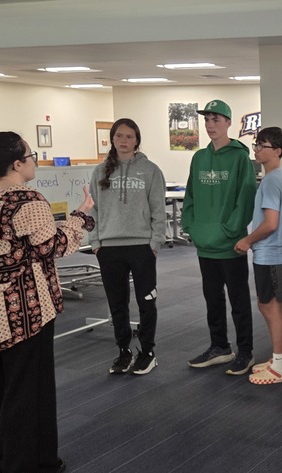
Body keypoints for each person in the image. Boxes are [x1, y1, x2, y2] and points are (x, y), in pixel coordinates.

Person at [0, 131, 95, 473]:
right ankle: (31, 464)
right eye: (32, 156)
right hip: (21, 307)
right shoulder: (26, 199)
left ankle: (1, 459)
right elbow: (53, 247)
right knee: (28, 391)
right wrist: (81, 216)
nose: (35, 161)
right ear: (17, 164)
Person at [182, 99, 258, 375]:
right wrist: (190, 225)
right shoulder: (199, 158)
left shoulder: (240, 157)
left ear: (228, 123)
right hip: (205, 244)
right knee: (212, 299)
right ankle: (220, 347)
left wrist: (230, 230)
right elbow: (190, 194)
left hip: (230, 244)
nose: (211, 125)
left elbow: (246, 197)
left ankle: (246, 351)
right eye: (207, 120)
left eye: (216, 120)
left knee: (238, 301)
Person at [87, 118, 166, 376]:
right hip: (109, 248)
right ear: (112, 139)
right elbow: (93, 211)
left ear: (137, 140)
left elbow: (157, 210)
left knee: (146, 302)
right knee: (117, 303)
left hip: (141, 246)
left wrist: (155, 242)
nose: (124, 141)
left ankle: (148, 352)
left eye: (129, 136)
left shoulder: (150, 170)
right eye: (119, 136)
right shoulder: (100, 172)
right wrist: (95, 242)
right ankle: (123, 351)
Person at [233, 126, 282, 385]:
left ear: (277, 151)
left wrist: (247, 240)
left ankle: (280, 363)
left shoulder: (271, 181)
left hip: (271, 253)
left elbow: (270, 223)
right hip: (271, 253)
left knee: (270, 306)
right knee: (268, 304)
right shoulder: (276, 178)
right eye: (256, 144)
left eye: (262, 145)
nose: (256, 149)